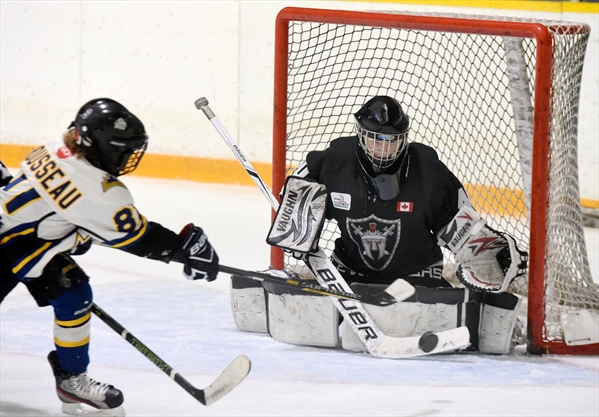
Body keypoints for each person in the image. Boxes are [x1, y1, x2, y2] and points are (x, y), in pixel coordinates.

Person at [230, 95, 528, 354]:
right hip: (347, 277)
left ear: (404, 139)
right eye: (374, 139)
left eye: (391, 141)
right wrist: (298, 224)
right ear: (360, 135)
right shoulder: (334, 162)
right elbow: (297, 188)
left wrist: (486, 252)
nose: (382, 148)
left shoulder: (430, 174)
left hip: (416, 280)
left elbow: (463, 227)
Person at [0, 98, 219, 415]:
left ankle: (71, 380)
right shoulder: (94, 187)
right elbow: (139, 238)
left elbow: (68, 215)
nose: (126, 157)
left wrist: (81, 234)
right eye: (119, 150)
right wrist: (183, 250)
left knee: (74, 295)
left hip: (29, 242)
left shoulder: (61, 146)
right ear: (92, 144)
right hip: (11, 246)